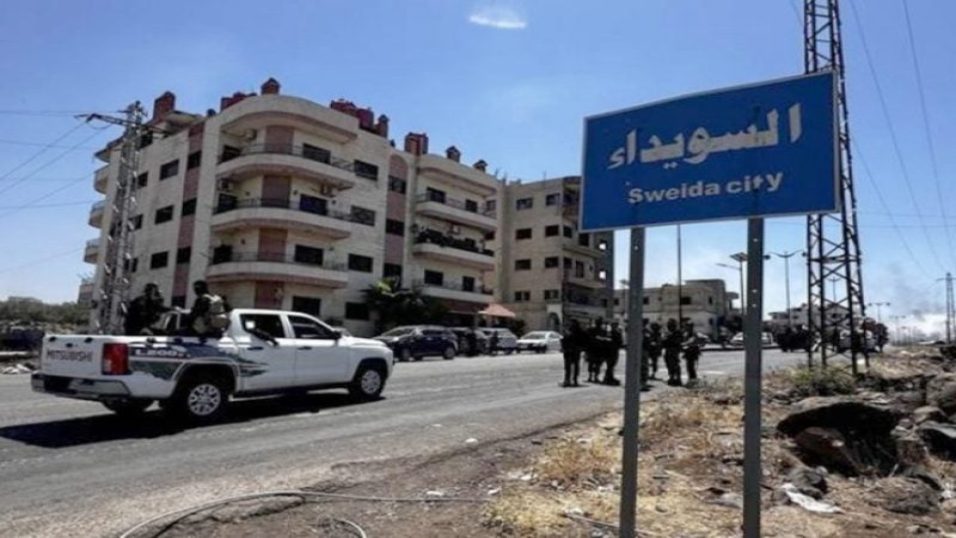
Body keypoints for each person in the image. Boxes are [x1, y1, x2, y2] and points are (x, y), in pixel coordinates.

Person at [561, 319, 585, 387]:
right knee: (572, 366)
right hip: (572, 350)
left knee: (570, 366)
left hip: (572, 350)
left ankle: (570, 380)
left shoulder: (576, 331)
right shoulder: (576, 331)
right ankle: (571, 380)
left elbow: (579, 340)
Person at [586, 318, 609, 383]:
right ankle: (591, 377)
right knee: (593, 364)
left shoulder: (602, 331)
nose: (599, 324)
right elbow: (588, 339)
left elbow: (605, 341)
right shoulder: (592, 330)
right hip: (593, 349)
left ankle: (594, 377)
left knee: (596, 364)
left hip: (598, 350)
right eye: (598, 322)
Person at [662, 318, 683, 386]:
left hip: (674, 350)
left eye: (671, 325)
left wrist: (669, 338)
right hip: (668, 350)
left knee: (675, 365)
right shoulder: (668, 333)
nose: (669, 326)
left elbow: (678, 341)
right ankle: (672, 377)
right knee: (669, 364)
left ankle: (678, 379)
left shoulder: (677, 333)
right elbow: (664, 342)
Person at [682, 321, 702, 386]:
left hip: (693, 353)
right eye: (686, 326)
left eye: (687, 326)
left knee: (691, 368)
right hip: (688, 353)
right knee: (689, 367)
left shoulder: (694, 334)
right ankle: (691, 380)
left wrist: (683, 344)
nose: (686, 327)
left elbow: (691, 341)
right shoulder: (686, 333)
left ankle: (693, 381)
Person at [604, 321, 623, 385]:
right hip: (612, 351)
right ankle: (608, 378)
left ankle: (608, 377)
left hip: (612, 350)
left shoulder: (609, 333)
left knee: (611, 365)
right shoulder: (614, 333)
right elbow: (620, 342)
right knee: (610, 365)